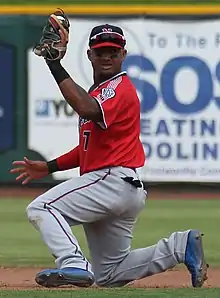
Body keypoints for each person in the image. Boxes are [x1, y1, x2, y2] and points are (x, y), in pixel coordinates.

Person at [10, 21, 208, 288]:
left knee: (42, 207)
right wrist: (49, 167)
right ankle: (179, 246)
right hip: (121, 187)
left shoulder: (118, 88)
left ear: (123, 55)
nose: (106, 57)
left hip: (111, 181)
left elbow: (86, 108)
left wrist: (54, 64)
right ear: (89, 53)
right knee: (109, 273)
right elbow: (88, 149)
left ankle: (73, 261)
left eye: (113, 52)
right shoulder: (99, 93)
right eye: (101, 51)